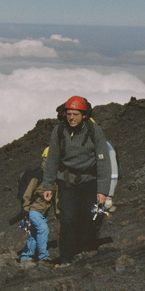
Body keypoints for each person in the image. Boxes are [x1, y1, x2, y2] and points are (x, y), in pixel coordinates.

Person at [43, 95, 111, 267]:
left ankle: (84, 252)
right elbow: (52, 159)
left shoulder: (94, 131)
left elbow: (103, 161)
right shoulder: (59, 131)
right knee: (67, 219)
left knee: (88, 217)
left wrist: (102, 190)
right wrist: (48, 185)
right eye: (69, 114)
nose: (72, 118)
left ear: (84, 115)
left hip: (89, 181)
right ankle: (66, 258)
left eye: (76, 114)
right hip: (67, 181)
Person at [19, 148, 59, 264]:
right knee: (43, 229)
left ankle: (25, 256)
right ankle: (43, 256)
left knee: (35, 234)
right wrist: (26, 210)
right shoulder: (38, 175)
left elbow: (55, 197)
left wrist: (57, 212)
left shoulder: (54, 177)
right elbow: (27, 193)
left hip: (43, 212)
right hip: (33, 210)